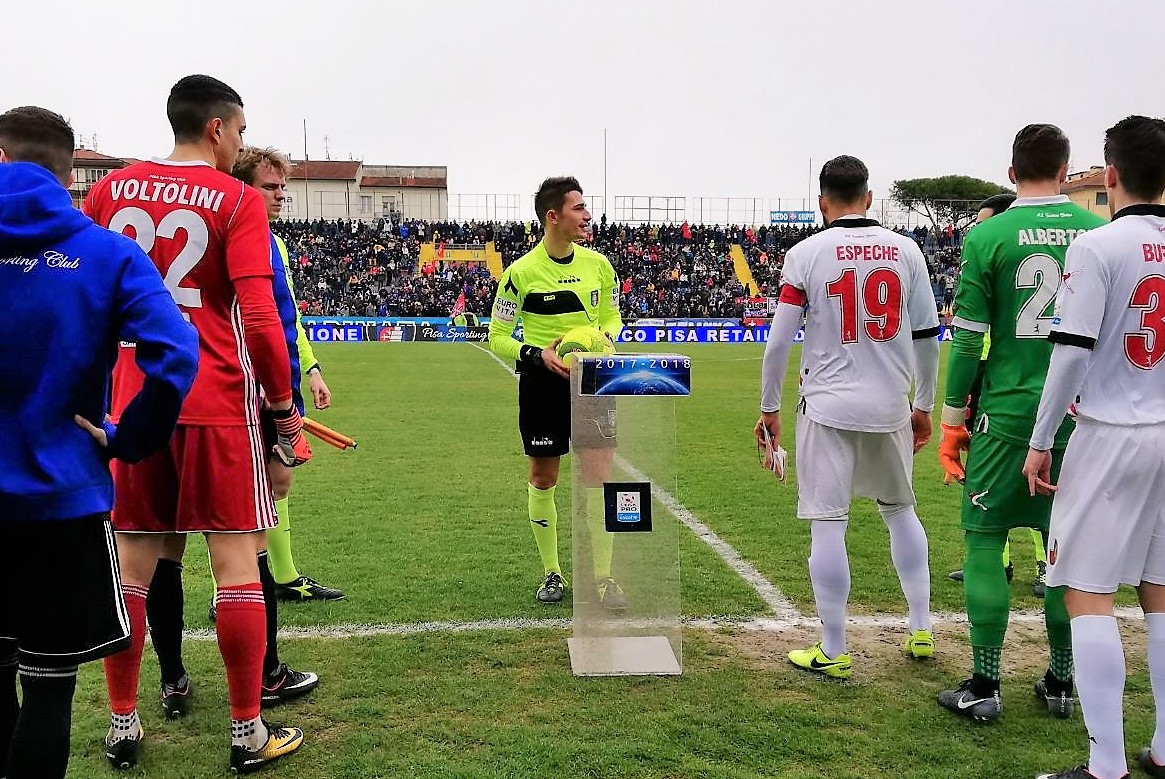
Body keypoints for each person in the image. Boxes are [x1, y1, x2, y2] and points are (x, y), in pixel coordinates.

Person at [84, 75, 308, 772]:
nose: (239, 143)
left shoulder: (108, 191)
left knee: (133, 568)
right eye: (239, 131)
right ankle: (247, 733)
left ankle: (123, 722)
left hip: (133, 403)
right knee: (236, 561)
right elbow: (262, 316)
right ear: (216, 128)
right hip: (215, 399)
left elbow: (89, 299)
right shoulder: (236, 198)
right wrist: (283, 411)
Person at [0, 106, 197, 779]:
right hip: (61, 502)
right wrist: (128, 439)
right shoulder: (108, 253)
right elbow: (174, 352)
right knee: (48, 690)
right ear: (68, 172)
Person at [144, 146, 333, 722]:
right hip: (232, 402)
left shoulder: (202, 228)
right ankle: (262, 682)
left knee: (164, 545)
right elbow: (265, 323)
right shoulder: (244, 230)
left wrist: (312, 369)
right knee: (246, 542)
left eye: (282, 188)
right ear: (242, 185)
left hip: (161, 395)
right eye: (271, 187)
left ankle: (172, 679)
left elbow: (287, 323)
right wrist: (285, 415)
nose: (280, 197)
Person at [935, 124, 1106, 723]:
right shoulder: (1098, 232)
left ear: (1010, 174)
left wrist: (953, 419)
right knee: (1066, 552)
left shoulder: (987, 235)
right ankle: (1060, 683)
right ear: (1067, 171)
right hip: (1083, 420)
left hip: (1007, 413)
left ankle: (984, 683)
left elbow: (966, 342)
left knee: (985, 538)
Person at [756, 155, 940, 678]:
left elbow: (778, 342)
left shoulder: (807, 252)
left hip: (829, 407)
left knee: (828, 524)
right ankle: (921, 628)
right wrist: (922, 405)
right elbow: (927, 335)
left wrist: (769, 407)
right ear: (869, 196)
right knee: (901, 511)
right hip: (890, 406)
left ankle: (834, 649)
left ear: (822, 202)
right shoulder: (907, 250)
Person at [1023, 116, 1165, 779]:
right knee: (1161, 591)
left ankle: (1104, 764)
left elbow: (1071, 353)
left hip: (1111, 433)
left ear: (1108, 175)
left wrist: (1041, 439)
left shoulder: (1099, 247)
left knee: (1086, 592)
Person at [487, 176, 625, 607]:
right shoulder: (520, 274)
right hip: (543, 385)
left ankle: (603, 578)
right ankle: (552, 573)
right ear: (554, 216)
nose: (587, 215)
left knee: (598, 477)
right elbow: (497, 335)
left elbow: (614, 318)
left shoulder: (600, 266)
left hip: (596, 382)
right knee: (544, 478)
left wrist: (602, 340)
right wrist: (536, 355)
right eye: (579, 208)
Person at [944, 192, 1051, 597]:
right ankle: (1001, 562)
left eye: (986, 221)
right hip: (991, 376)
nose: (979, 229)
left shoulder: (997, 253)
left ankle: (1044, 563)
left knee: (1038, 475)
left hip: (1004, 375)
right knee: (988, 472)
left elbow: (971, 334)